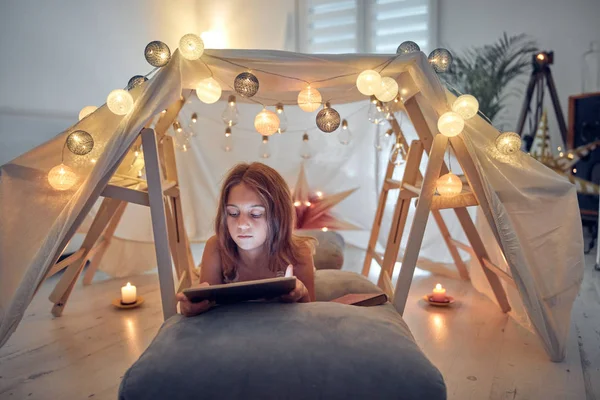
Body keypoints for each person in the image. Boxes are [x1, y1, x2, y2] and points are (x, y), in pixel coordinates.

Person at [176, 162, 316, 317]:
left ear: (279, 216)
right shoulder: (216, 247)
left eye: (255, 214)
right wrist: (190, 308)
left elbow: (310, 314)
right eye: (233, 213)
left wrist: (302, 293)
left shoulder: (300, 251)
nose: (242, 225)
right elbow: (207, 313)